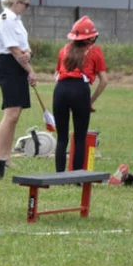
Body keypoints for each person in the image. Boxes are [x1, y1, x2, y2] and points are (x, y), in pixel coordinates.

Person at [52, 16, 109, 172]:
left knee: (62, 138)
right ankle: (76, 176)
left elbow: (56, 74)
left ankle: (59, 175)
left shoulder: (64, 50)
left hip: (60, 90)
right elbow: (104, 81)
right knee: (80, 137)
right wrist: (90, 101)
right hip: (80, 90)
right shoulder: (95, 51)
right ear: (91, 37)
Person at [0, 0, 37, 165]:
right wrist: (30, 70)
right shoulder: (6, 20)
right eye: (26, 4)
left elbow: (25, 47)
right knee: (10, 114)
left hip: (19, 65)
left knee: (15, 114)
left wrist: (28, 56)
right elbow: (13, 48)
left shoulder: (17, 21)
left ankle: (6, 157)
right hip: (9, 65)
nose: (27, 8)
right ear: (16, 3)